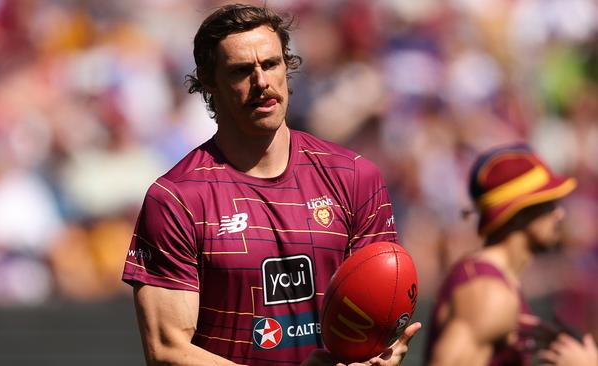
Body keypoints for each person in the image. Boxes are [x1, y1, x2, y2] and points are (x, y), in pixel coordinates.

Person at [121, 4, 420, 366]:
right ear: (209, 81)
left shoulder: (355, 177)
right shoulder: (176, 199)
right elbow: (167, 350)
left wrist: (384, 354)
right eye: (242, 70)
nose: (261, 82)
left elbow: (380, 305)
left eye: (272, 64)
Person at [426, 143, 579, 366]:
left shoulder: (492, 283)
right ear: (517, 212)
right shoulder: (489, 295)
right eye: (548, 204)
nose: (560, 213)